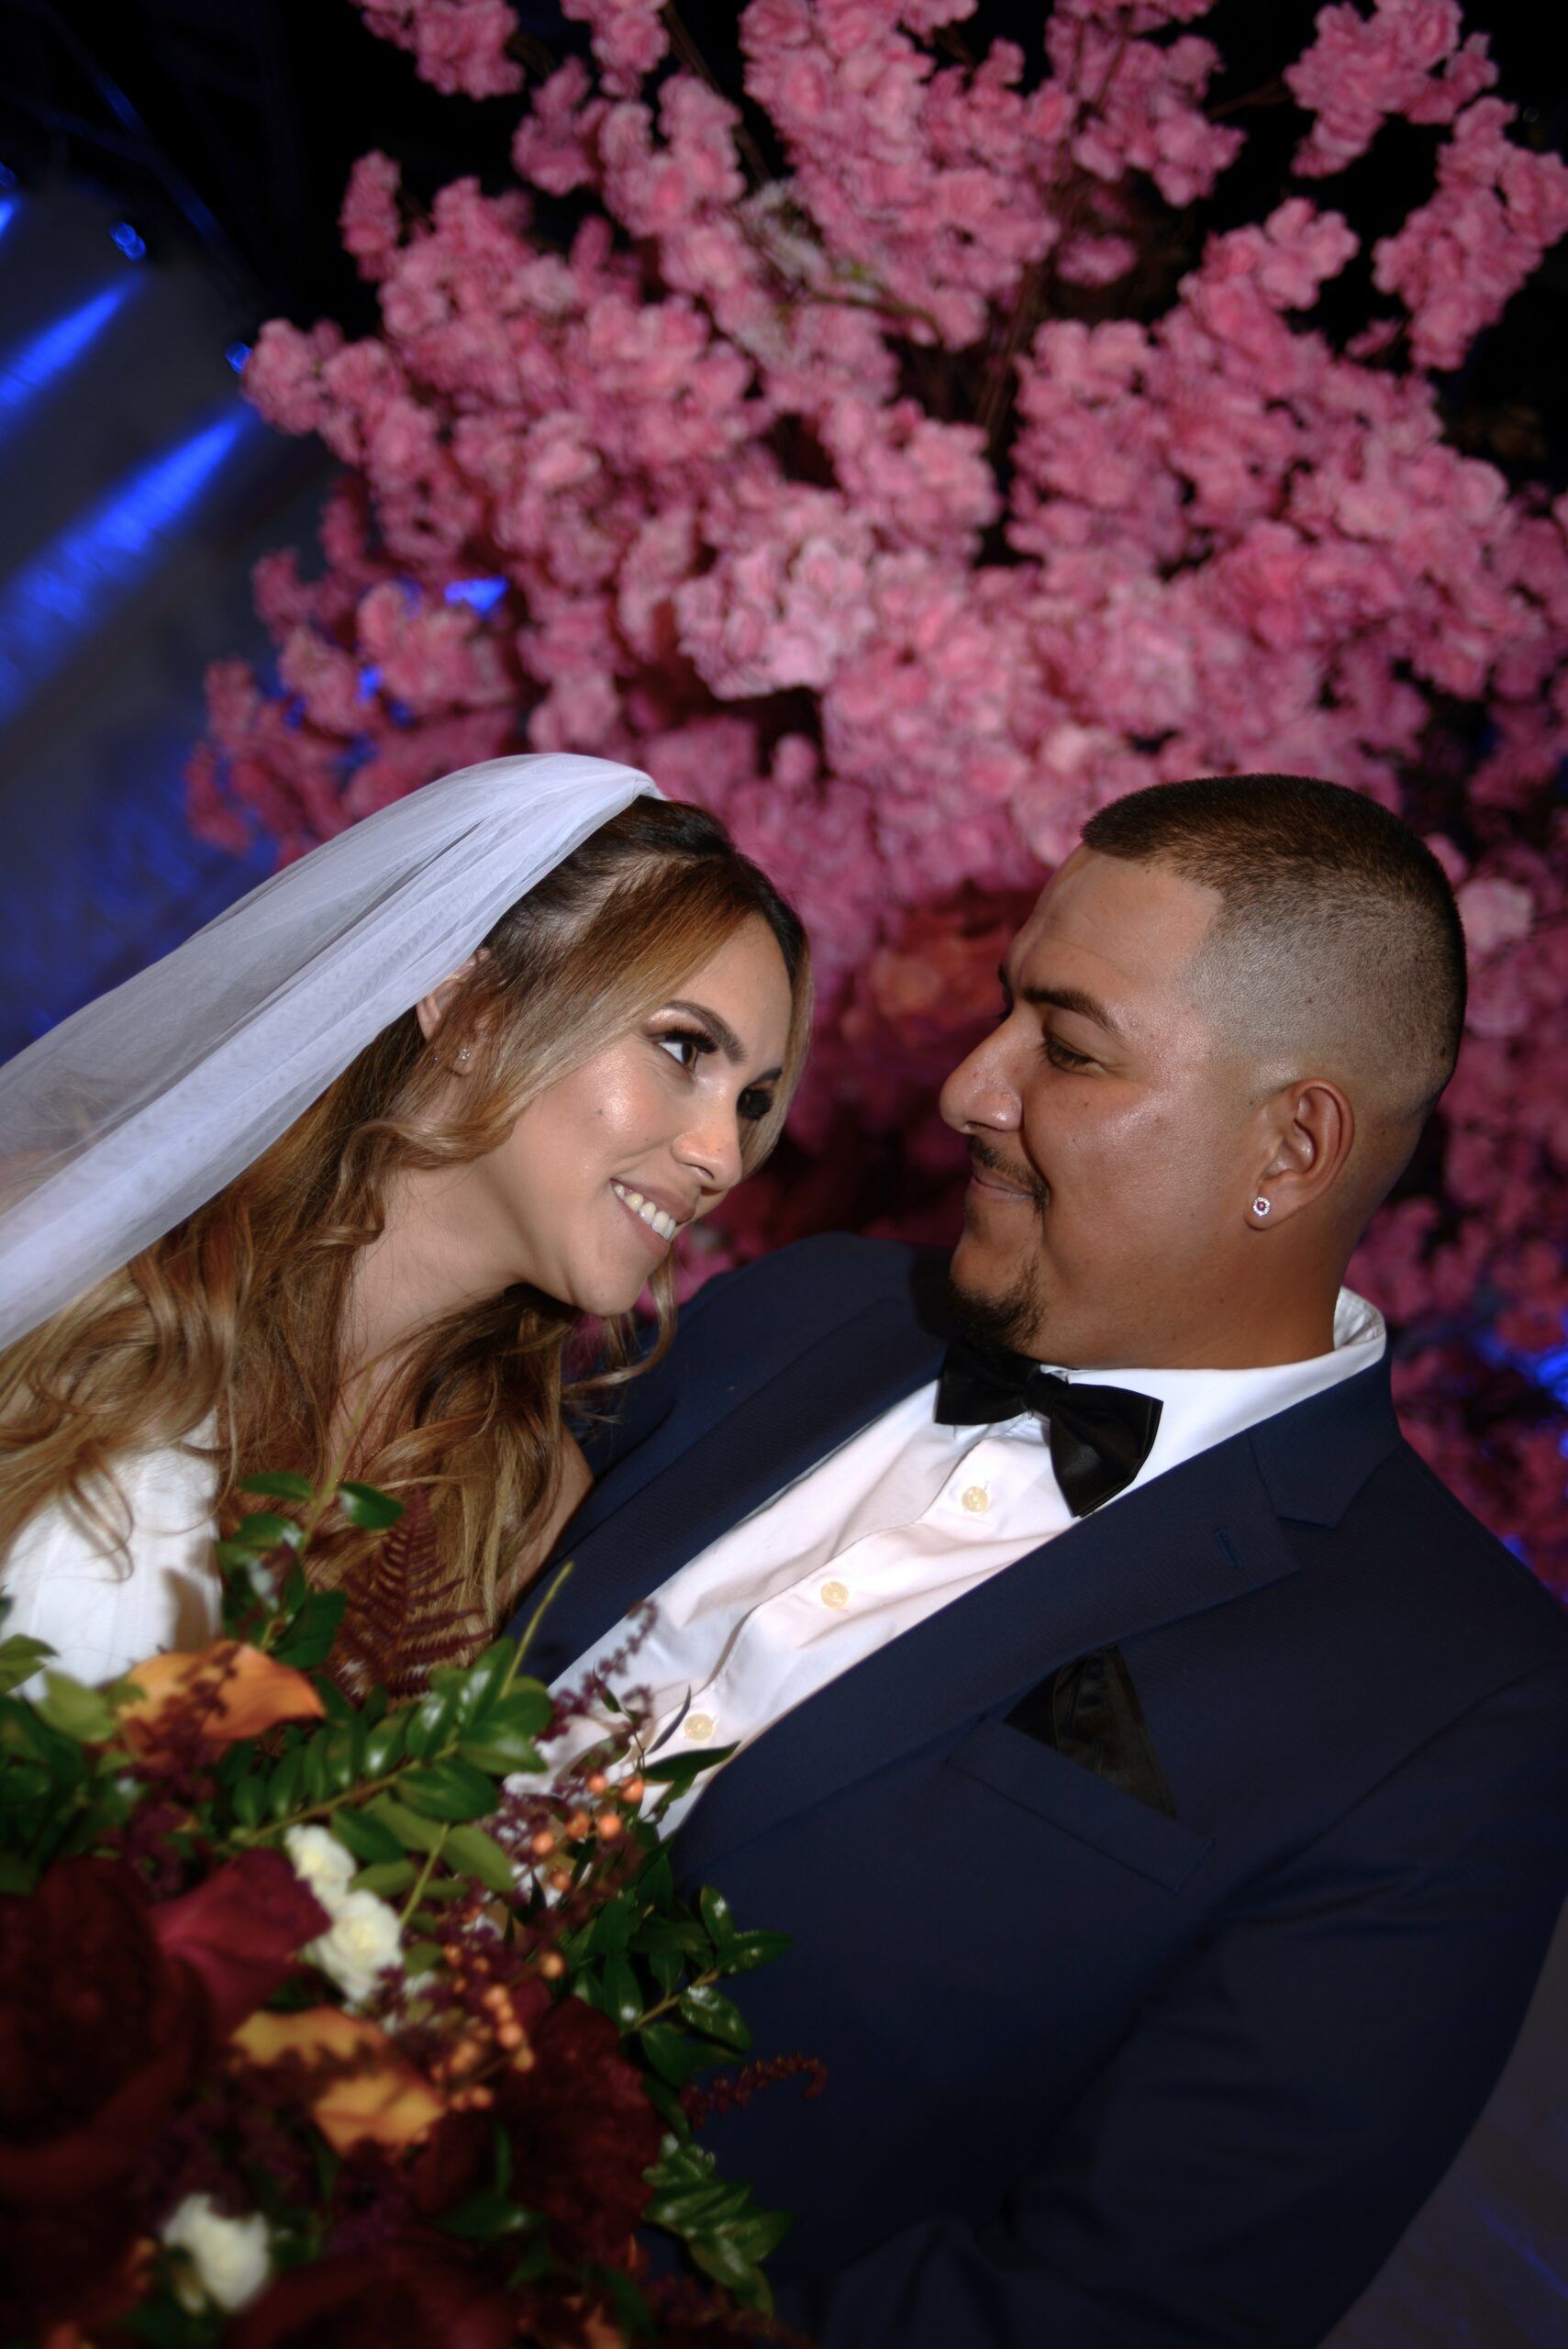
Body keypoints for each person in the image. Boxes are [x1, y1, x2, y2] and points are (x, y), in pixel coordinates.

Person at [517, 774, 1568, 2349]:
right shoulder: (802, 1305)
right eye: (1004, 1012)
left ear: (1289, 1146)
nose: (963, 1085)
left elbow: (1116, 2307)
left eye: (1064, 1049)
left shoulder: (1452, 1707)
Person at [0, 753, 808, 1688]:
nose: (721, 1155)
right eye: (681, 1046)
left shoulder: (522, 1509)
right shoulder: (76, 1244)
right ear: (471, 1009)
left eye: (750, 1104)